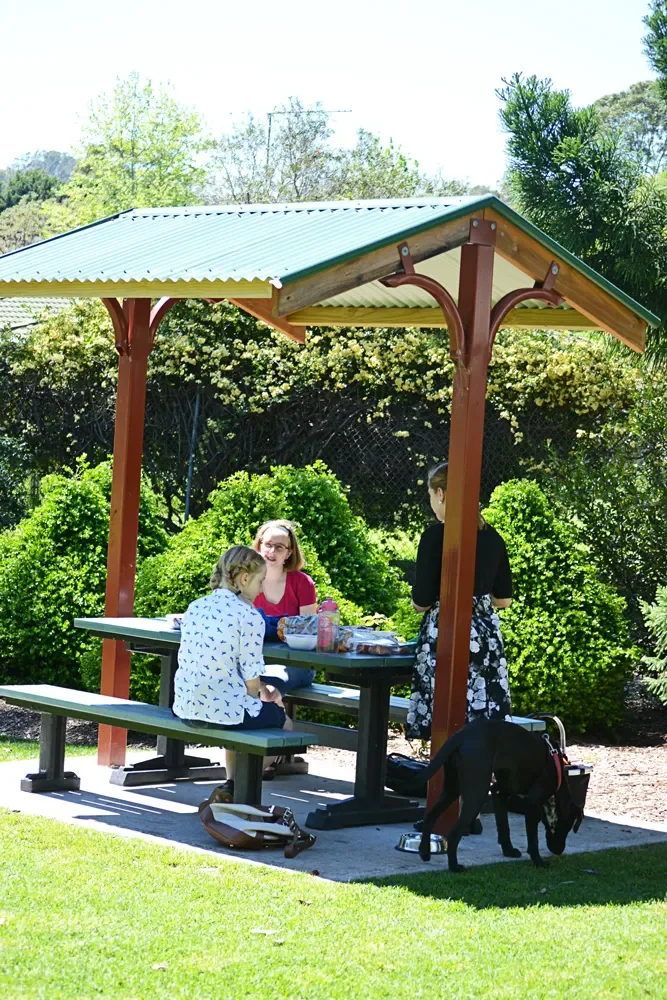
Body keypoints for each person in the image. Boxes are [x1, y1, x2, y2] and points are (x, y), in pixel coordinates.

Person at [172, 545, 292, 803]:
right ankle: (237, 788)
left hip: (184, 707)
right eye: (260, 581)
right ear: (245, 578)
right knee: (285, 724)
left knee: (239, 709)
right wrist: (259, 702)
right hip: (222, 712)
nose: (261, 590)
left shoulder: (195, 607)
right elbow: (251, 682)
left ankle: (230, 785)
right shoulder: (249, 616)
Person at [407, 461, 513, 743]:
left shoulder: (434, 537)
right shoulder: (493, 538)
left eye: (431, 496)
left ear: (441, 493)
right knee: (482, 722)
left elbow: (421, 601)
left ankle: (444, 768)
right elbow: (503, 599)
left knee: (445, 718)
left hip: (445, 635)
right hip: (486, 638)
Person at [252, 519, 318, 696]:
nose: (272, 551)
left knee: (269, 686)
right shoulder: (245, 580)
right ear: (259, 546)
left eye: (279, 547)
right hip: (253, 661)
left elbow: (308, 633)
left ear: (289, 553)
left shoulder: (303, 583)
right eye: (268, 545)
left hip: (297, 664)